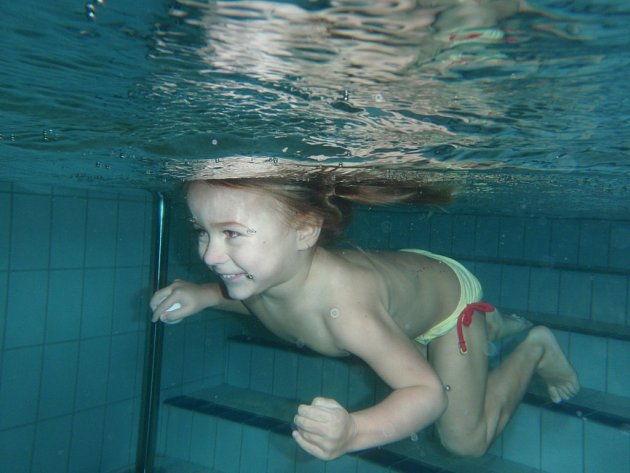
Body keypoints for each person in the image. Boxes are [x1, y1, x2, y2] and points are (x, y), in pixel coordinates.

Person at [150, 176, 580, 460]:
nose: (208, 253)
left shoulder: (345, 314)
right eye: (201, 231)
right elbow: (251, 300)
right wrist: (204, 295)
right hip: (407, 281)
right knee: (399, 330)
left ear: (305, 232)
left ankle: (535, 347)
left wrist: (355, 431)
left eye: (232, 234)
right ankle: (497, 325)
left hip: (447, 304)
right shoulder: (262, 277)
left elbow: (426, 393)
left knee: (463, 442)